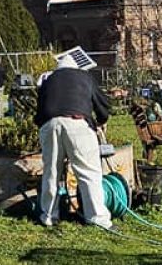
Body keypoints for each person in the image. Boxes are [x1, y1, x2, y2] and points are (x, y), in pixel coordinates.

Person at [35, 57, 113, 229]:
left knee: (51, 172)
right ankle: (97, 218)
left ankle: (48, 216)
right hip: (77, 123)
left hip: (50, 124)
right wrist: (101, 120)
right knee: (88, 172)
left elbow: (39, 112)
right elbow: (102, 105)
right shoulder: (84, 77)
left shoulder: (48, 80)